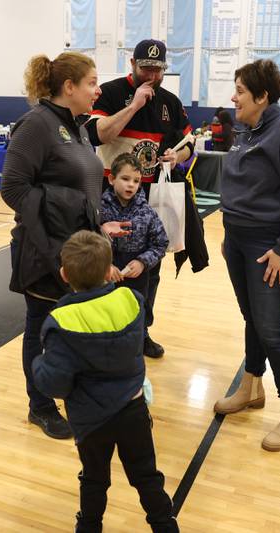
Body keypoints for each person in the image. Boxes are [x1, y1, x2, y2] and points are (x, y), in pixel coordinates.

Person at [1, 51, 129, 440]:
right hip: (44, 252)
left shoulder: (74, 126)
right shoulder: (37, 125)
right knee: (41, 328)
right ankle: (39, 406)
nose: (99, 89)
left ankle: (66, 389)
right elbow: (13, 188)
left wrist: (93, 223)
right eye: (92, 82)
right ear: (68, 87)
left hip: (78, 248)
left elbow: (77, 187)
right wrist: (61, 233)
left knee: (68, 325)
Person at [32, 230, 178, 533]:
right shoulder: (131, 299)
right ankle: (165, 525)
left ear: (63, 274)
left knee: (94, 479)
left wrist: (38, 364)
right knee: (147, 476)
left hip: (91, 420)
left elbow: (54, 383)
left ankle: (89, 527)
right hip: (134, 410)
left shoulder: (62, 321)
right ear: (109, 269)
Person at [213, 59, 280, 452]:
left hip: (269, 247)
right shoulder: (246, 130)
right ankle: (251, 386)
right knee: (251, 319)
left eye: (240, 91)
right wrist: (229, 235)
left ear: (262, 96)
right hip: (238, 240)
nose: (233, 97)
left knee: (271, 327)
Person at [85, 38, 194, 359]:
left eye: (158, 70)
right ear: (131, 63)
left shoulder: (170, 102)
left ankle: (141, 330)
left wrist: (178, 155)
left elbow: (188, 144)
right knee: (104, 265)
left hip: (150, 199)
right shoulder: (110, 92)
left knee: (148, 269)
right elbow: (97, 134)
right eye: (146, 68)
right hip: (108, 197)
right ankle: (102, 330)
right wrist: (133, 105)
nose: (152, 76)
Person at [102, 153, 169, 353]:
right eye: (125, 179)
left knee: (139, 309)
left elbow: (161, 243)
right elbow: (89, 241)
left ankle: (141, 337)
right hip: (108, 272)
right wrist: (105, 265)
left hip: (137, 273)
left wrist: (142, 262)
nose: (131, 185)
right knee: (107, 310)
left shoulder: (147, 211)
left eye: (136, 181)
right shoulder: (99, 209)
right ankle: (107, 342)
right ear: (112, 179)